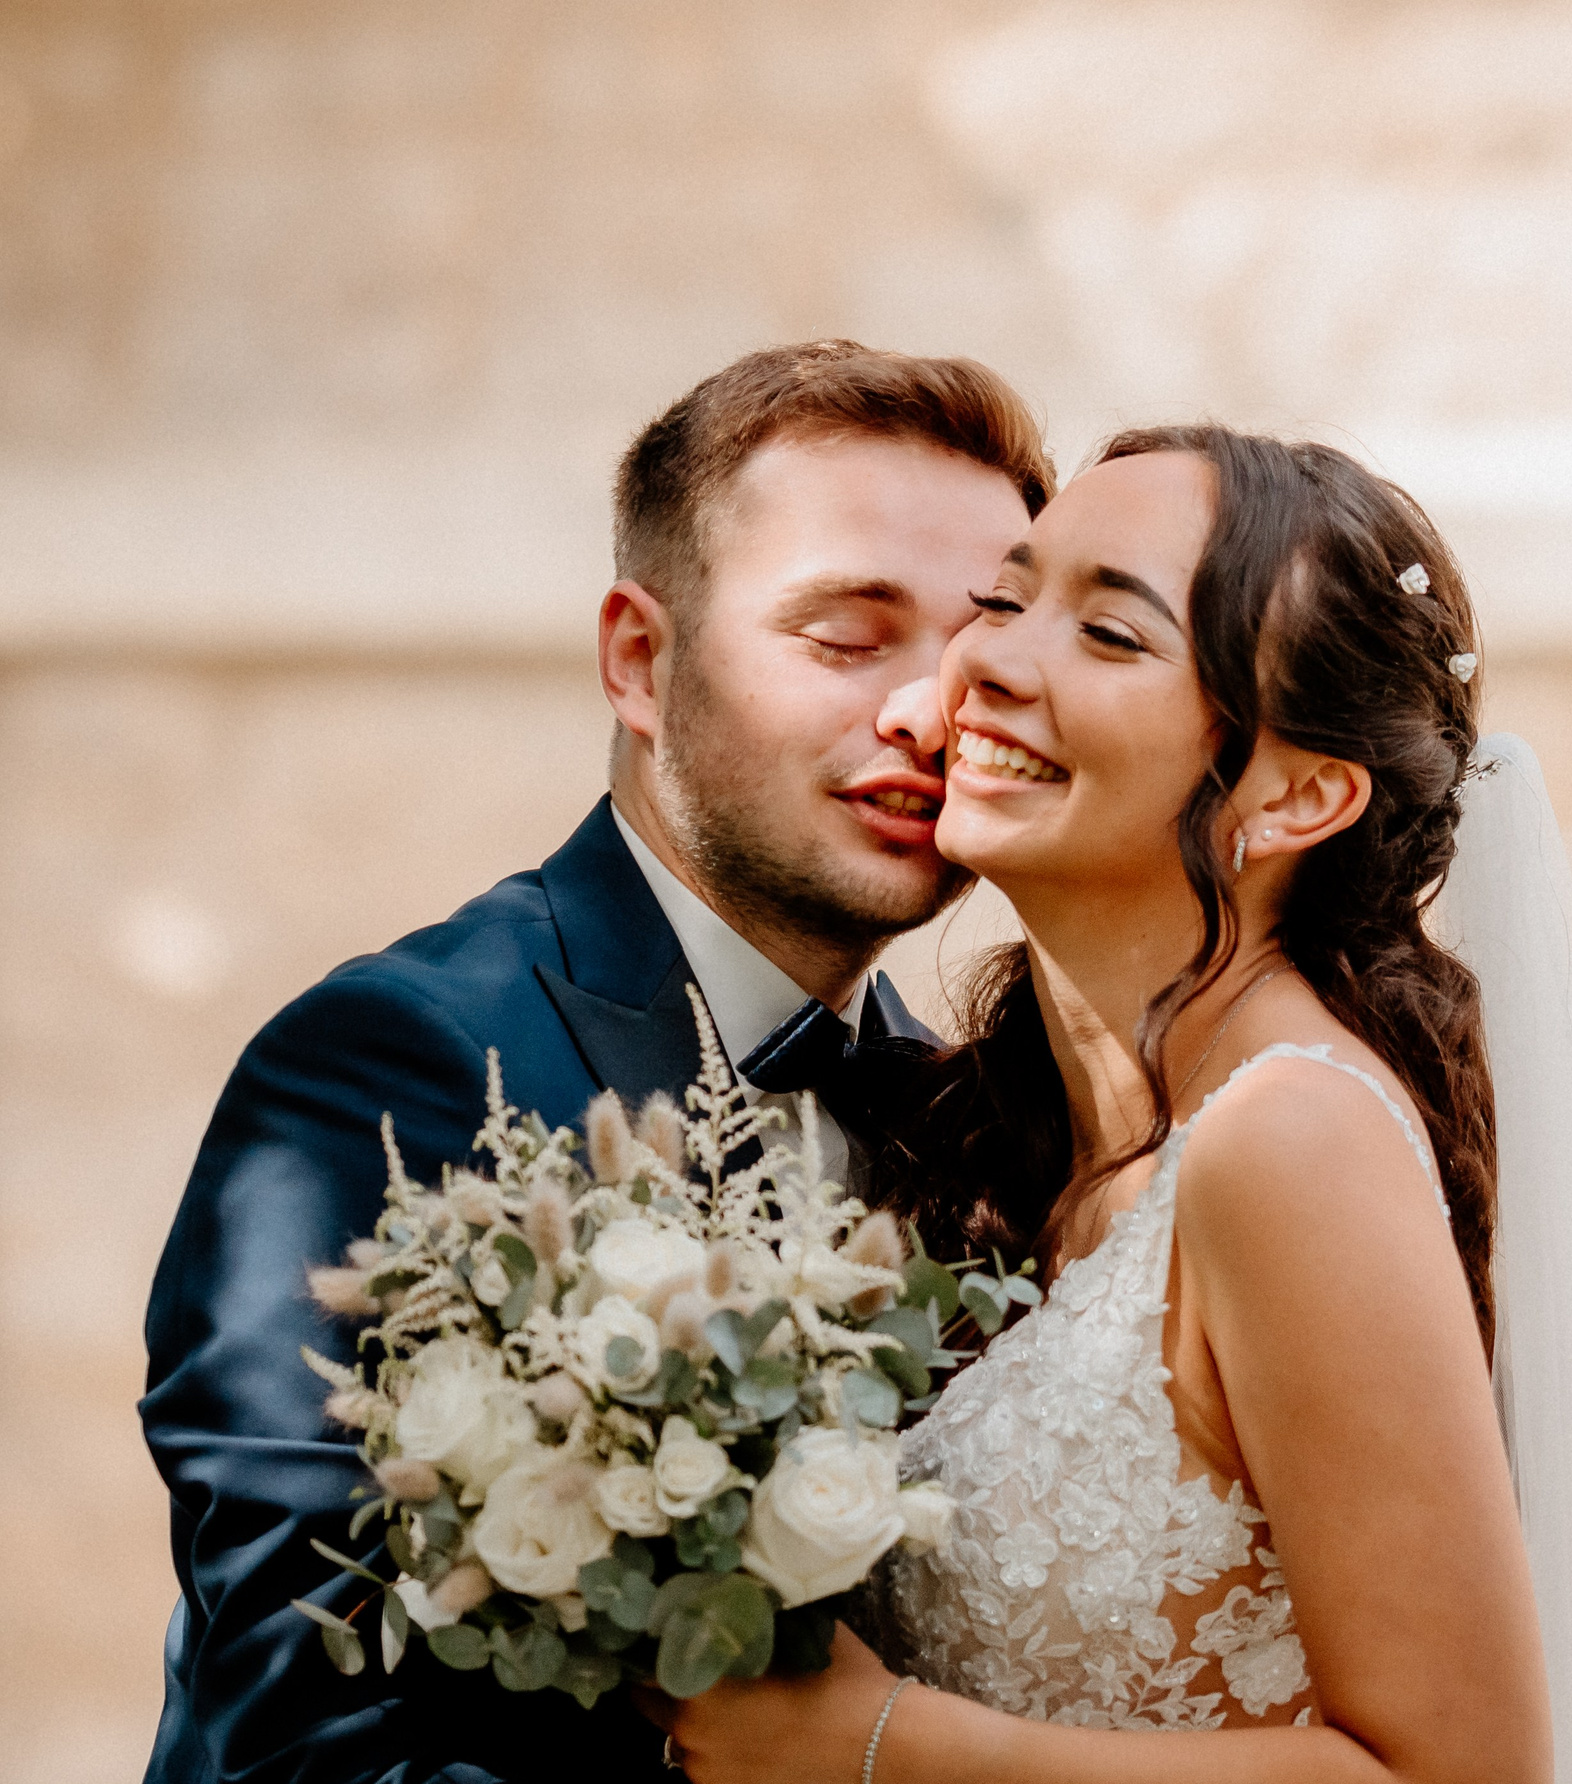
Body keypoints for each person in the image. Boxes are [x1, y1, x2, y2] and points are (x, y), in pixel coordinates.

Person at [138, 340, 1053, 1784]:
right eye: (842, 635)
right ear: (641, 659)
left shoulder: (986, 1115)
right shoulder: (385, 1068)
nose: (928, 711)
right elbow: (301, 1730)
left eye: (977, 644)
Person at [648, 426, 1568, 1783]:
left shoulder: (1288, 1141)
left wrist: (876, 1747)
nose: (990, 662)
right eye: (1011, 601)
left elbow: (1458, 1771)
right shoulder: (1018, 1144)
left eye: (1112, 635)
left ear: (1301, 792)